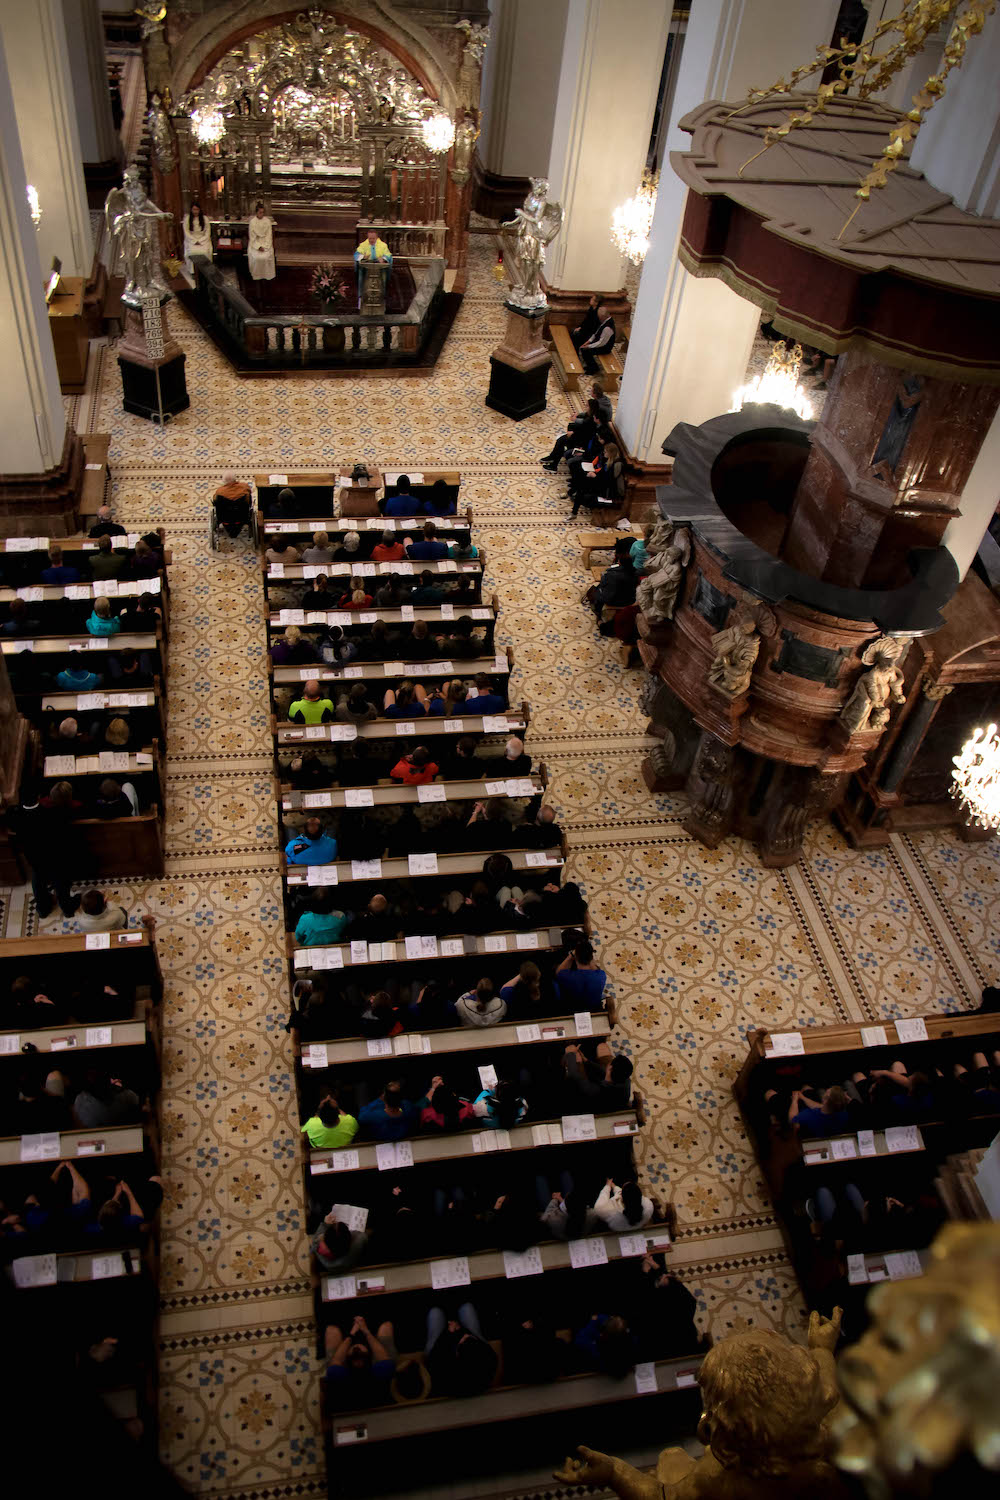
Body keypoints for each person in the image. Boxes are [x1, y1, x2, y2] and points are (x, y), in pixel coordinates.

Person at [7, 782, 78, 917]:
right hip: (52, 855)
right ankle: (67, 908)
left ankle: (43, 908)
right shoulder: (50, 813)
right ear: (38, 796)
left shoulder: (14, 813)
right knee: (60, 882)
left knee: (38, 880)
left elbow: (13, 828)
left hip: (32, 855)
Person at [425, 1303, 497, 1396]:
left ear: (457, 1353)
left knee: (435, 1313)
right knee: (467, 1308)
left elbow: (435, 1355)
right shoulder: (488, 1358)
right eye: (468, 1337)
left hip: (439, 1350)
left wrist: (449, 1333)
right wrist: (464, 1331)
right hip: (465, 1354)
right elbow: (487, 1351)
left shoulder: (444, 1371)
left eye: (464, 1338)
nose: (466, 1335)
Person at [324, 1316, 397, 1408]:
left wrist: (351, 1334)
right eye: (362, 1355)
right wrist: (366, 1332)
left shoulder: (337, 1374)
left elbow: (336, 1360)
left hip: (345, 1390)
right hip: (379, 1380)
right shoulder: (383, 1371)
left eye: (354, 1355)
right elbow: (383, 1357)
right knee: (386, 1326)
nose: (357, 1348)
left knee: (332, 1331)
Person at [358, 1080, 427, 1141]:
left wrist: (379, 1100)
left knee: (362, 1085)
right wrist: (433, 1088)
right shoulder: (408, 1109)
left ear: (384, 1098)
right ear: (401, 1099)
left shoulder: (375, 1116)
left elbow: (361, 1115)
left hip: (380, 1138)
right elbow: (421, 1104)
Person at [555, 940, 606, 1011]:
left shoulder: (565, 975)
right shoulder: (601, 975)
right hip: (593, 1008)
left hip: (569, 1008)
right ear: (591, 957)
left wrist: (571, 956)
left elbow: (558, 973)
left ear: (576, 957)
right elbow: (596, 968)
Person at [579, 302, 616, 374]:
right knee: (583, 340)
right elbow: (597, 332)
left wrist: (588, 346)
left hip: (605, 347)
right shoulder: (605, 321)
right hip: (600, 341)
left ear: (603, 317)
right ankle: (591, 365)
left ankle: (593, 368)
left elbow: (601, 343)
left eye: (599, 317)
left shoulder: (608, 328)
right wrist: (588, 341)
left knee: (586, 351)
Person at [214, 473, 252, 540]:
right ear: (235, 479)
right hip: (242, 516)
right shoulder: (244, 487)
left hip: (224, 518)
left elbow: (215, 502)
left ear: (224, 481)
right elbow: (249, 499)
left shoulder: (219, 491)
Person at [247, 200, 276, 281]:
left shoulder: (267, 221)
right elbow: (252, 238)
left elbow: (269, 236)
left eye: (263, 212)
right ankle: (256, 275)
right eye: (260, 212)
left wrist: (266, 246)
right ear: (256, 212)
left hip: (266, 243)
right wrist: (258, 247)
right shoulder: (252, 222)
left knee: (266, 257)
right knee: (257, 258)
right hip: (255, 243)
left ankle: (266, 275)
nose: (261, 214)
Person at [182, 200, 212, 277]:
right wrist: (194, 241)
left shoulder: (205, 219)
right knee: (191, 252)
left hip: (203, 240)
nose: (195, 211)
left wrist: (200, 241)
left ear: (199, 210)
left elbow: (207, 232)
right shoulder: (187, 219)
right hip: (191, 240)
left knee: (205, 252)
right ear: (191, 210)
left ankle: (205, 271)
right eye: (194, 209)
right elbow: (186, 232)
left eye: (197, 209)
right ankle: (193, 272)